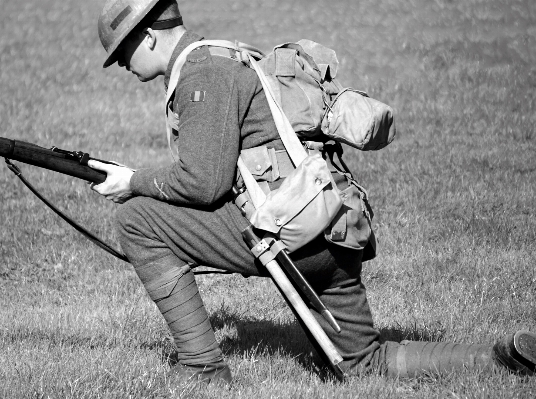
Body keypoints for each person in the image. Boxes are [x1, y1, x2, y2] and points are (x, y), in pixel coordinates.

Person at [87, 0, 536, 385]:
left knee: (136, 218)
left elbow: (205, 185)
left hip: (292, 236)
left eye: (122, 52)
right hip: (331, 229)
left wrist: (132, 182)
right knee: (364, 364)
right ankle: (502, 358)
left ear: (147, 37)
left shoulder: (202, 75)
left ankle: (202, 369)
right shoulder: (225, 56)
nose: (123, 65)